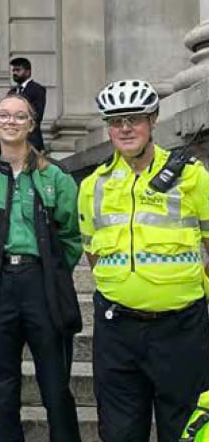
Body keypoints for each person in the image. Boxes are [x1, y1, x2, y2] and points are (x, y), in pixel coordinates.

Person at [79, 79, 209, 441]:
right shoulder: (92, 186)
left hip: (181, 329)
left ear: (153, 120)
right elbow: (93, 253)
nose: (124, 128)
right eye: (115, 120)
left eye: (134, 118)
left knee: (185, 431)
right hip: (117, 330)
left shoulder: (191, 175)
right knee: (119, 433)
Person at [0, 94, 82, 441]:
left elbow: (71, 234)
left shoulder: (56, 177)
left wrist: (53, 269)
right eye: (3, 115)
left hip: (42, 283)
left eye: (19, 116)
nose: (10, 122)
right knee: (1, 385)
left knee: (55, 383)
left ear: (31, 125)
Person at [9, 57, 46, 152]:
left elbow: (37, 115)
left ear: (28, 72)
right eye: (13, 70)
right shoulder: (11, 92)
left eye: (18, 70)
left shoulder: (37, 89)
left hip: (31, 141)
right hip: (13, 141)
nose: (14, 73)